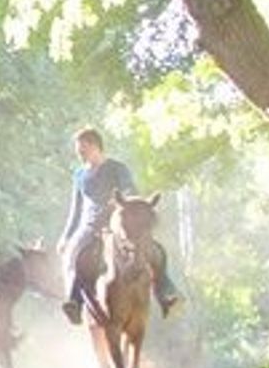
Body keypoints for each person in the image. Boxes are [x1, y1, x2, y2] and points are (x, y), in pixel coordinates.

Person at [59, 127, 183, 324]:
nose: (80, 155)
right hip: (90, 225)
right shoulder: (79, 175)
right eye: (78, 152)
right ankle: (74, 302)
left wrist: (119, 204)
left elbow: (130, 190)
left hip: (118, 221)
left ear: (94, 146)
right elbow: (76, 208)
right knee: (75, 253)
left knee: (154, 249)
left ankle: (166, 293)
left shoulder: (117, 168)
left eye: (82, 150)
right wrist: (66, 236)